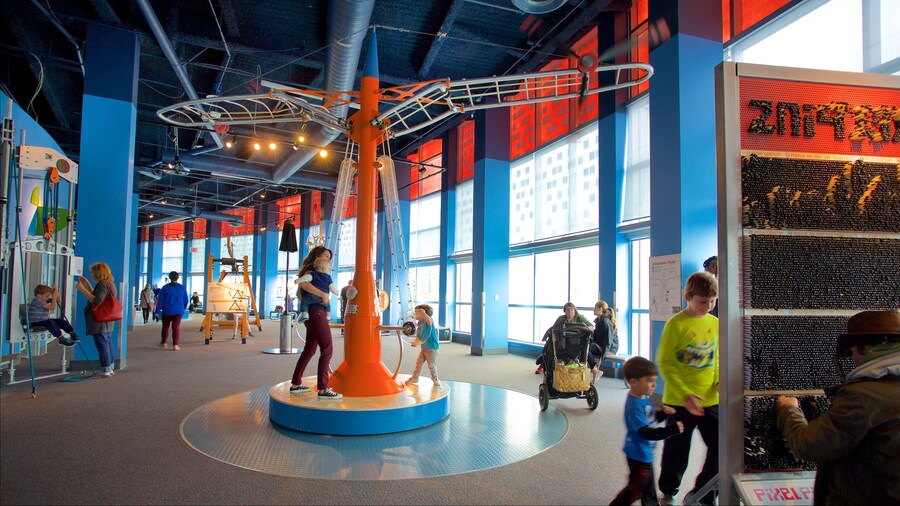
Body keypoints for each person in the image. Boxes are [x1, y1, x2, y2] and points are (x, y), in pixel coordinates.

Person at [776, 310, 900, 505]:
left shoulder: (861, 396)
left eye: (851, 353)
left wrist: (788, 411)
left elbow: (810, 445)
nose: (853, 360)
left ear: (862, 348)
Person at [657, 271, 719, 506]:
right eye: (704, 301)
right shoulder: (676, 324)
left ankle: (704, 492)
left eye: (713, 301)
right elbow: (666, 362)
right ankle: (669, 492)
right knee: (677, 450)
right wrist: (685, 394)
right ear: (688, 297)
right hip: (679, 401)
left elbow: (717, 359)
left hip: (710, 399)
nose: (709, 306)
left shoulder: (715, 323)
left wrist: (719, 381)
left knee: (722, 448)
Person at [610, 356, 684, 506]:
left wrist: (663, 413)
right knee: (638, 490)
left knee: (644, 489)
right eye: (650, 381)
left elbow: (651, 417)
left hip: (645, 454)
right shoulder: (634, 406)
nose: (654, 385)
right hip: (638, 455)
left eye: (654, 381)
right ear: (633, 382)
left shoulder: (643, 398)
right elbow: (646, 432)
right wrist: (671, 430)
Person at [289, 246, 341, 399]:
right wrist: (324, 295)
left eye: (329, 258)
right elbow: (302, 285)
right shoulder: (312, 273)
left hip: (313, 313)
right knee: (327, 347)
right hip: (316, 312)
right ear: (317, 256)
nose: (327, 260)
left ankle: (296, 383)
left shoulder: (315, 273)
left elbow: (301, 292)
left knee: (310, 349)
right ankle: (323, 388)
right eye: (325, 256)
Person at [75, 262, 118, 378]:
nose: (92, 274)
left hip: (100, 320)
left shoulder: (102, 284)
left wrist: (82, 289)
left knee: (102, 344)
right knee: (107, 342)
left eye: (92, 272)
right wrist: (87, 284)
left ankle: (105, 369)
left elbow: (97, 300)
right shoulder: (110, 284)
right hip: (107, 318)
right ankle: (109, 367)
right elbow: (97, 294)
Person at [535, 302, 594, 374]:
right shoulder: (561, 318)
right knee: (548, 344)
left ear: (574, 310)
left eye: (571, 309)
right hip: (562, 340)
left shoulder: (579, 317)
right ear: (565, 311)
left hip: (576, 341)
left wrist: (583, 329)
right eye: (567, 309)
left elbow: (591, 327)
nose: (570, 311)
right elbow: (554, 329)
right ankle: (543, 363)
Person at [405, 304, 441, 389]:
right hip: (424, 347)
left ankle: (435, 379)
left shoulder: (428, 320)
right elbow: (418, 336)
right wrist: (415, 343)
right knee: (419, 363)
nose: (415, 315)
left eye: (417, 313)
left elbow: (429, 321)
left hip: (432, 348)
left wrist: (424, 314)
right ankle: (415, 378)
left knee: (431, 365)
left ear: (423, 313)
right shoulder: (420, 324)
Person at [156, 271, 189, 351]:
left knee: (165, 326)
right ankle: (175, 345)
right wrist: (183, 307)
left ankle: (164, 343)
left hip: (167, 310)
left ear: (169, 277)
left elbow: (160, 300)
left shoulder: (165, 288)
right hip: (178, 310)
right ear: (177, 278)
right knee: (176, 327)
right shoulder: (182, 288)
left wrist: (157, 311)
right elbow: (185, 300)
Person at [589, 300, 619, 384]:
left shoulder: (605, 322)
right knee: (584, 347)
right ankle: (593, 369)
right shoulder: (599, 321)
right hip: (599, 344)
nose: (593, 309)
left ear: (600, 309)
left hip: (608, 347)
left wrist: (603, 355)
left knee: (586, 349)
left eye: (595, 308)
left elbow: (608, 340)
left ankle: (595, 369)